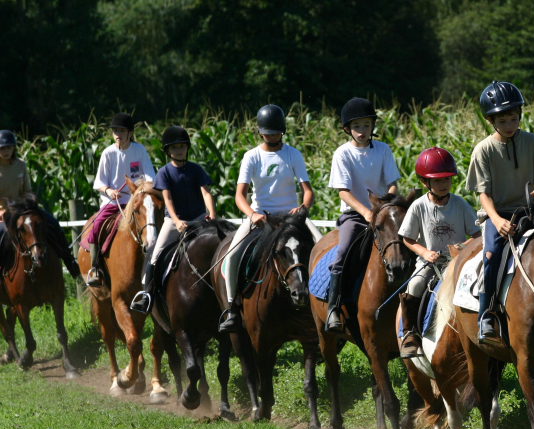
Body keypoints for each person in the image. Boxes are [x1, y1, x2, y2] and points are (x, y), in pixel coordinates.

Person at [466, 81, 534, 345]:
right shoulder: (483, 150)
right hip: (499, 213)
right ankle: (487, 315)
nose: (509, 125)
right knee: (492, 253)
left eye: (514, 118)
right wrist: (496, 220)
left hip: (533, 209)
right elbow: (482, 194)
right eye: (502, 120)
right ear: (491, 120)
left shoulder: (533, 142)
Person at [218, 104, 316, 332]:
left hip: (292, 217)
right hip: (261, 216)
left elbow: (308, 190)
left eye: (275, 132)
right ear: (259, 132)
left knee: (322, 246)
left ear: (282, 131)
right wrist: (252, 214)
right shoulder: (251, 156)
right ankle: (232, 308)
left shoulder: (293, 154)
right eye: (267, 132)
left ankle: (327, 303)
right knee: (232, 256)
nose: (271, 136)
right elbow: (239, 195)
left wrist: (302, 207)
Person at [325, 97, 401, 333]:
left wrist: (383, 207)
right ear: (348, 128)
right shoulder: (342, 153)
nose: (362, 131)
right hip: (355, 215)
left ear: (372, 127)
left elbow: (393, 185)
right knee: (343, 250)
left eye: (366, 125)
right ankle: (333, 309)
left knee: (405, 243)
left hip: (382, 213)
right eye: (357, 126)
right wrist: (367, 212)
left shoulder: (383, 149)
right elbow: (343, 193)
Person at [397, 147, 480, 357]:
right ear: (425, 182)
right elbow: (407, 238)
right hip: (430, 262)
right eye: (438, 181)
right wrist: (424, 253)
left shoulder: (460, 204)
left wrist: (464, 246)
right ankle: (410, 334)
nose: (444, 185)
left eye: (447, 180)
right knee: (415, 284)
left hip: (458, 261)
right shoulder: (418, 206)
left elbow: (477, 234)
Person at [130, 125, 216, 313]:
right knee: (155, 253)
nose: (179, 150)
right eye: (174, 147)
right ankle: (147, 294)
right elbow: (167, 199)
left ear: (187, 148)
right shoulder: (164, 172)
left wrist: (212, 215)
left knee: (221, 243)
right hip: (174, 221)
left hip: (200, 218)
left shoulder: (196, 170)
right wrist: (176, 221)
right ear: (168, 151)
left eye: (182, 146)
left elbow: (206, 194)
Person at [86, 113, 156, 287]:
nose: (117, 134)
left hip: (136, 201)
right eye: (115, 130)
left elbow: (149, 177)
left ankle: (158, 266)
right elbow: (99, 183)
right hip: (112, 202)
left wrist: (139, 188)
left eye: (121, 130)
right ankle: (95, 268)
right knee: (96, 226)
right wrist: (109, 191)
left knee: (156, 222)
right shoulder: (108, 153)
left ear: (130, 133)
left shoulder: (139, 151)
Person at [0, 130, 81, 278]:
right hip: (4, 213)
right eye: (2, 148)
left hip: (24, 209)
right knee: (1, 236)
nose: (6, 151)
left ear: (13, 148)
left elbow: (28, 190)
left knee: (53, 224)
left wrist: (31, 202)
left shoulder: (21, 165)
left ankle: (70, 263)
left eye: (8, 147)